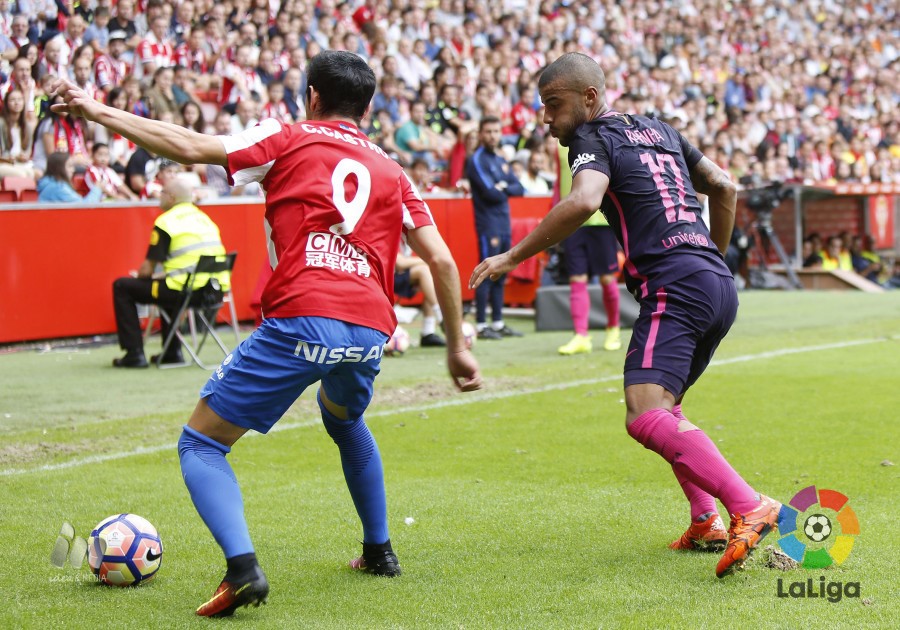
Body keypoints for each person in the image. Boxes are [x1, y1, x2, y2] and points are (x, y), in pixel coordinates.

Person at [51, 49, 481, 617]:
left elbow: (188, 147)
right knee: (344, 419)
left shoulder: (287, 136)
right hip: (370, 329)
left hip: (304, 315)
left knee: (202, 444)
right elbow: (443, 262)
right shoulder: (394, 171)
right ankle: (379, 551)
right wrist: (456, 347)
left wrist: (97, 110)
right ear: (368, 106)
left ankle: (243, 570)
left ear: (312, 97)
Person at [470, 53, 781, 579]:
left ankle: (749, 505)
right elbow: (724, 186)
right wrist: (714, 258)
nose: (546, 118)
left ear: (589, 98)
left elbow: (583, 200)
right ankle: (704, 518)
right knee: (667, 407)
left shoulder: (591, 137)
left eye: (554, 104)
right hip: (714, 281)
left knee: (644, 414)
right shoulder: (660, 129)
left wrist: (511, 256)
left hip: (675, 285)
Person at [109, 178, 229, 368]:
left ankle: (134, 354)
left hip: (184, 292)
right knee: (168, 286)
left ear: (171, 197)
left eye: (162, 192)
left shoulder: (167, 221)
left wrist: (139, 276)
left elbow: (147, 270)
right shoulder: (205, 219)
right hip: (214, 293)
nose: (159, 196)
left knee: (122, 286)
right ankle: (172, 353)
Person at [554, 144, 622, 355]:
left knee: (607, 278)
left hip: (601, 220)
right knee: (577, 277)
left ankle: (613, 329)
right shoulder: (559, 146)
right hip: (572, 221)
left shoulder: (602, 138)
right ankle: (581, 335)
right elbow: (559, 182)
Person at [465, 115, 526, 340]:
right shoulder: (476, 160)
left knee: (501, 271)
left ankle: (498, 323)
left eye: (496, 131)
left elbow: (519, 188)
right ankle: (482, 325)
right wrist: (503, 187)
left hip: (503, 223)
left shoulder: (500, 159)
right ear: (481, 134)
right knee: (486, 270)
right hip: (488, 225)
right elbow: (490, 193)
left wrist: (503, 186)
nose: (493, 136)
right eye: (488, 132)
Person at [394, 249, 447, 347]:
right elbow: (400, 263)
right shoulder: (392, 238)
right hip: (381, 276)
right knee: (424, 271)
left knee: (430, 277)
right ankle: (441, 316)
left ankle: (428, 333)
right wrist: (429, 261)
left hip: (397, 274)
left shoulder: (406, 242)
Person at [36, 152, 104, 203]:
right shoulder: (58, 187)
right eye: (69, 166)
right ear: (59, 168)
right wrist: (97, 188)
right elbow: (83, 207)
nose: (73, 170)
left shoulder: (53, 184)